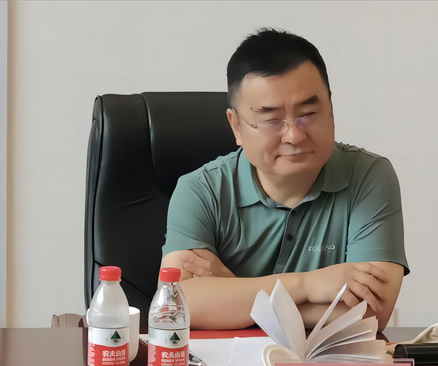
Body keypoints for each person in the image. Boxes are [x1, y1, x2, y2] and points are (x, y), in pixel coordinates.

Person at [161, 28, 409, 331]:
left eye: (309, 112)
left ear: (331, 109)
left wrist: (235, 291)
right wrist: (306, 285)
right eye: (270, 119)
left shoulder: (369, 176)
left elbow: (370, 314)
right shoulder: (201, 190)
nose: (294, 135)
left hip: (326, 362)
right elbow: (175, 305)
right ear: (236, 126)